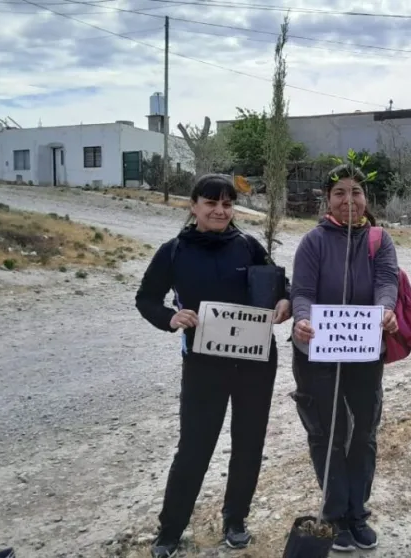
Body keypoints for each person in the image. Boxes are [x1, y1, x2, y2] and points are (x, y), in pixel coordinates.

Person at [135, 174, 291, 558]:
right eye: (211, 204)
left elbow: (279, 285)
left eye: (227, 204)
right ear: (194, 206)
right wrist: (171, 318)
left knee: (249, 444)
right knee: (194, 447)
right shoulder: (174, 251)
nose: (220, 211)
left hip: (255, 364)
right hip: (204, 365)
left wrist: (285, 302)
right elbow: (146, 298)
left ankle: (235, 521)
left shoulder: (249, 246)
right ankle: (170, 531)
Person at [289, 164, 399, 552]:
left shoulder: (379, 239)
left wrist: (386, 309)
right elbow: (301, 291)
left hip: (364, 351)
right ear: (327, 198)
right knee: (327, 434)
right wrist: (302, 319)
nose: (348, 200)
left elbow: (388, 282)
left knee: (364, 434)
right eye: (340, 192)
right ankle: (334, 516)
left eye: (356, 192)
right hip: (316, 352)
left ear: (366, 198)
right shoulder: (312, 242)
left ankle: (356, 512)